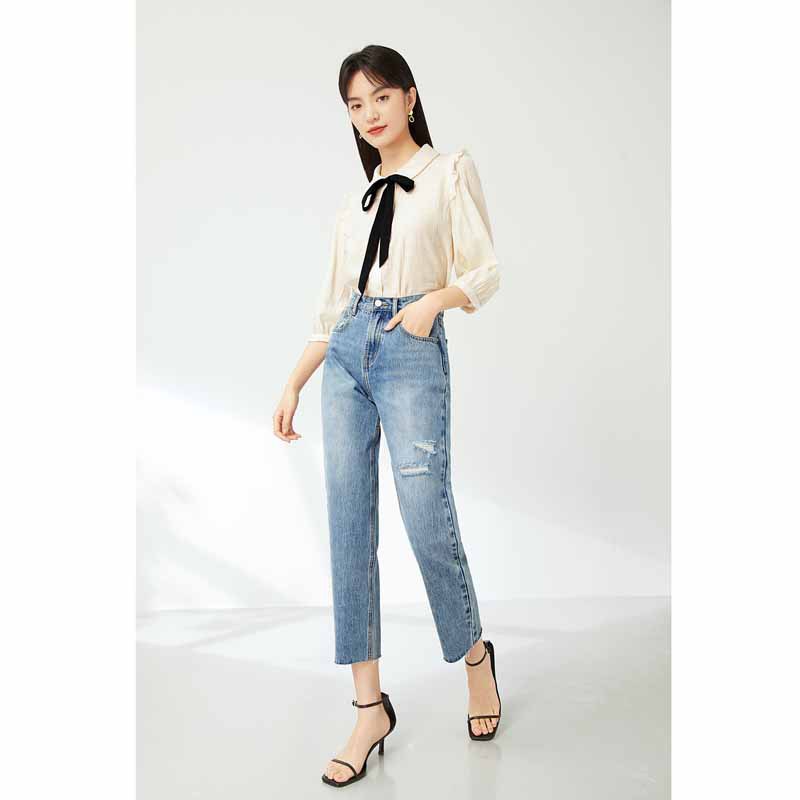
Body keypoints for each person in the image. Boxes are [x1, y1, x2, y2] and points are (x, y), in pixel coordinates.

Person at [273, 45, 503, 787]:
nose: (368, 114)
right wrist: (295, 382)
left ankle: (475, 657)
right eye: (354, 104)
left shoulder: (449, 172)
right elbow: (331, 309)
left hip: (411, 347)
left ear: (409, 97)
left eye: (379, 97)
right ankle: (369, 708)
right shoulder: (356, 205)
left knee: (426, 514)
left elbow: (484, 271)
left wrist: (432, 304)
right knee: (349, 526)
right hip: (346, 355)